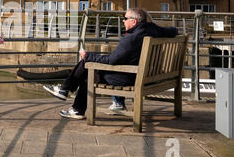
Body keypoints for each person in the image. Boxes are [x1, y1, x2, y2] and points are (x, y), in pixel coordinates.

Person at [43, 8, 178, 119]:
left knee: (87, 68)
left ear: (134, 21)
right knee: (87, 66)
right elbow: (173, 31)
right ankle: (67, 95)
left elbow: (112, 61)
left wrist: (89, 56)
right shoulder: (152, 29)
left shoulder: (130, 39)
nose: (123, 21)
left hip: (130, 78)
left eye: (125, 19)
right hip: (146, 75)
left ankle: (70, 97)